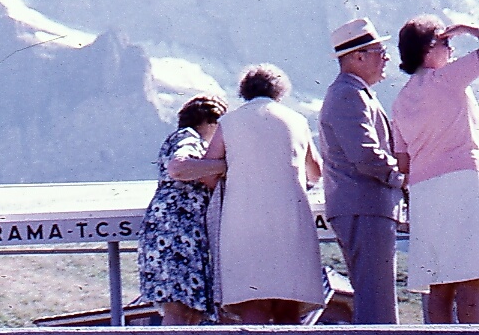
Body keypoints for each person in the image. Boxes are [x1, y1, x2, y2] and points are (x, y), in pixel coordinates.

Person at [201, 64, 325, 324]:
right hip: (290, 218)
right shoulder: (297, 120)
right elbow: (315, 171)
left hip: (243, 219)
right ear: (280, 91)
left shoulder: (229, 122)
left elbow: (207, 171)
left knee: (253, 300)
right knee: (288, 303)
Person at [390, 17, 479, 323]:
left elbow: (402, 161)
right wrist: (466, 28)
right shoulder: (449, 79)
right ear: (429, 49)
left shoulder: (399, 101)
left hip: (424, 192)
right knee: (471, 277)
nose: (451, 49)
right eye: (445, 42)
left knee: (438, 284)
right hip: (463, 183)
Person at [318, 17, 403, 324]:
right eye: (380, 52)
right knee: (376, 302)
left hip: (363, 208)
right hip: (366, 208)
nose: (386, 59)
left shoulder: (352, 92)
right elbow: (365, 155)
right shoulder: (349, 94)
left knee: (373, 296)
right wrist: (400, 177)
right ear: (358, 56)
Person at [137, 95, 228, 324]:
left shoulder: (194, 143)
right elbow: (178, 167)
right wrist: (224, 165)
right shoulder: (188, 138)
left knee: (192, 311)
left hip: (185, 233)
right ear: (211, 121)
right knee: (179, 308)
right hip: (175, 231)